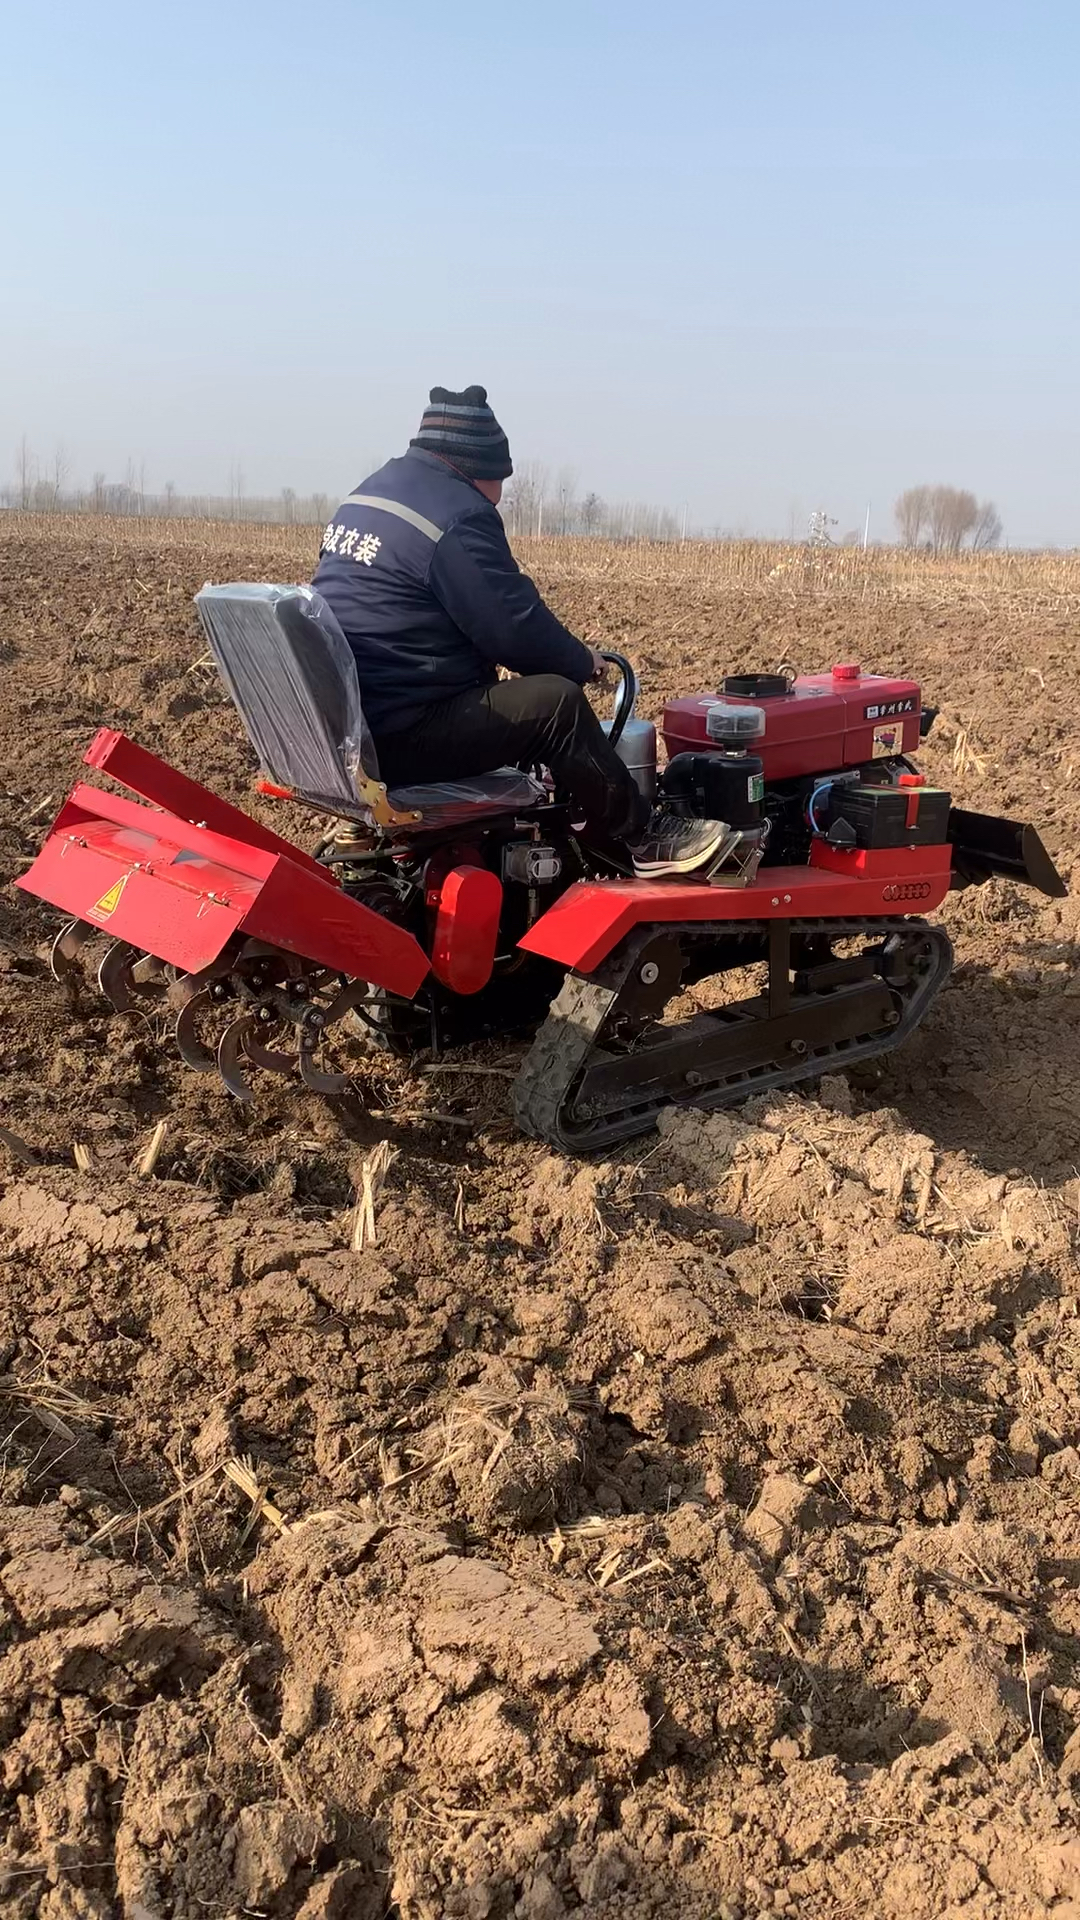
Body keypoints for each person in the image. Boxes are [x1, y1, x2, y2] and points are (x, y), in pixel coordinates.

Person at [312, 385, 729, 876]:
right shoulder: (457, 514)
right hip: (403, 735)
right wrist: (581, 662)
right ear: (480, 469)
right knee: (556, 706)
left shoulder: (369, 494)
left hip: (351, 727)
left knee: (516, 703)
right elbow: (513, 628)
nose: (500, 497)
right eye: (501, 482)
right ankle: (644, 836)